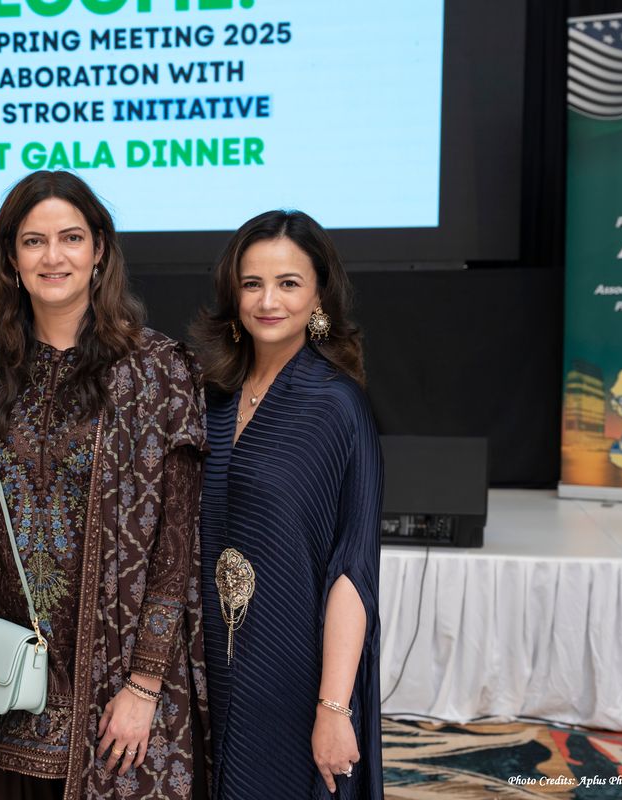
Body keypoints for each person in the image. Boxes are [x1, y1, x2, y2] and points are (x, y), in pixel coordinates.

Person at [0, 170, 210, 799]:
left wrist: (145, 684)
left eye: (71, 238)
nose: (54, 257)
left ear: (99, 249)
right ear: (11, 259)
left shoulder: (159, 370)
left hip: (119, 688)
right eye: (34, 241)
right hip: (11, 684)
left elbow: (175, 545)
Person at [190, 210, 383, 799]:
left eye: (289, 283)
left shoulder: (338, 408)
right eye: (252, 284)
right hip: (205, 677)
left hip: (296, 676)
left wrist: (334, 706)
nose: (268, 300)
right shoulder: (210, 401)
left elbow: (353, 572)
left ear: (318, 295)